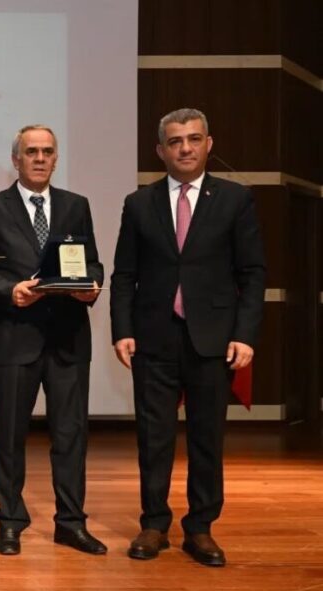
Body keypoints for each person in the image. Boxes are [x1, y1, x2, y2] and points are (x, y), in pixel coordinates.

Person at [110, 108, 265, 567]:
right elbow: (124, 275)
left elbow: (253, 273)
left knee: (206, 436)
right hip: (153, 337)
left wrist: (245, 334)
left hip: (214, 338)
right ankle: (154, 523)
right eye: (175, 141)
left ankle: (200, 527)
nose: (185, 148)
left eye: (194, 139)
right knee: (153, 436)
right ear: (161, 150)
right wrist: (123, 330)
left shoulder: (235, 200)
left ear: (208, 144)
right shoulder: (139, 203)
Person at [0, 125, 106, 556]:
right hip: (14, 337)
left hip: (68, 339)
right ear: (16, 159)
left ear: (56, 157)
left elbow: (92, 263)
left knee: (71, 435)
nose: (40, 158)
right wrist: (11, 291)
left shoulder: (75, 206)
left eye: (48, 151)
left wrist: (92, 286)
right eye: (32, 152)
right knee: (10, 435)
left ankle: (70, 522)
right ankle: (10, 520)